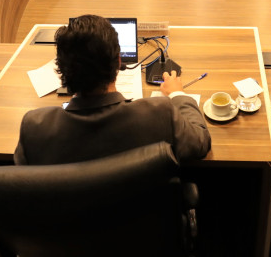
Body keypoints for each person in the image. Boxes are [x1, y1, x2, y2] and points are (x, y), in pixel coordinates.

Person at [14, 14, 211, 165]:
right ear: (118, 61)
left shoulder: (35, 128)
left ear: (61, 70)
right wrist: (177, 94)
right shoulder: (158, 114)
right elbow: (200, 142)